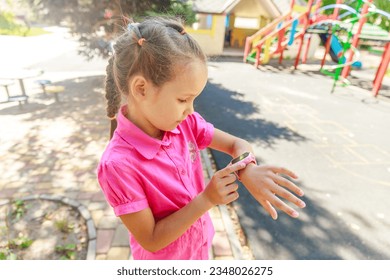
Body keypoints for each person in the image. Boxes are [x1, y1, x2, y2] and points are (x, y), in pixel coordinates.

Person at [97, 17, 306, 260]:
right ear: (141, 89)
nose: (191, 110)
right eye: (183, 100)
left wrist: (246, 169)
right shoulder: (118, 165)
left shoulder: (186, 124)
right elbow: (152, 240)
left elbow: (236, 144)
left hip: (199, 251)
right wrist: (207, 199)